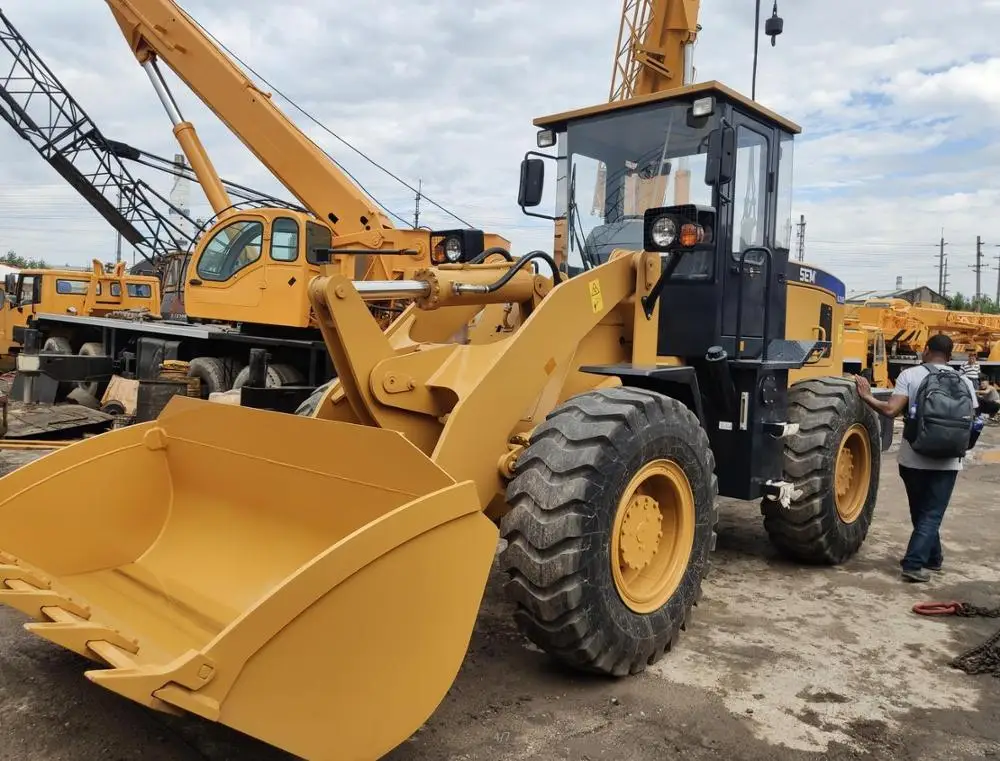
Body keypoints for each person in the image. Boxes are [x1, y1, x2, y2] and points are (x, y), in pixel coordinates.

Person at [854, 334, 977, 583]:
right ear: (951, 356)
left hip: (913, 458)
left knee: (923, 512)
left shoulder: (910, 375)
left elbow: (890, 410)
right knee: (931, 513)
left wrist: (866, 396)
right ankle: (923, 560)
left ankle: (924, 560)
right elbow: (973, 423)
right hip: (949, 460)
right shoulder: (963, 380)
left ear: (926, 350)